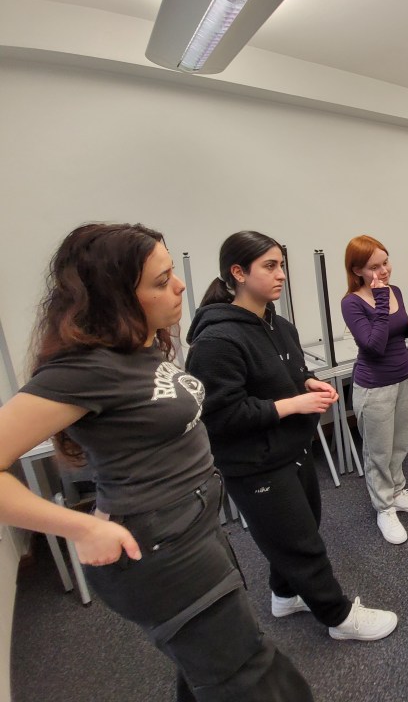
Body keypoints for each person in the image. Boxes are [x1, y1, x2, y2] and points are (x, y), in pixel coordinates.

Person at [0, 223, 313, 701]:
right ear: (116, 298)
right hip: (158, 547)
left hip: (195, 526)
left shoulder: (141, 347)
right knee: (254, 676)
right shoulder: (87, 369)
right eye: (162, 280)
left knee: (208, 669)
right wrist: (79, 527)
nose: (180, 286)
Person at [185, 231, 397, 642]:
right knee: (301, 545)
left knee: (301, 527)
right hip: (255, 463)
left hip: (291, 450)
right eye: (270, 266)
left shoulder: (278, 324)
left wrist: (309, 382)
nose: (281, 274)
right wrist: (294, 404)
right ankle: (338, 618)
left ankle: (284, 595)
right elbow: (220, 416)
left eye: (282, 265)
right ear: (238, 273)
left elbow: (288, 373)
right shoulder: (216, 341)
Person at [340, 235, 408, 545]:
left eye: (386, 262)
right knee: (378, 452)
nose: (384, 271)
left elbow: (394, 334)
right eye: (374, 267)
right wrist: (379, 299)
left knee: (399, 445)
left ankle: (397, 492)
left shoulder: (396, 291)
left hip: (404, 378)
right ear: (357, 271)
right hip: (374, 387)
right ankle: (384, 507)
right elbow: (374, 346)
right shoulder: (351, 303)